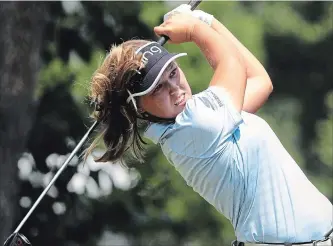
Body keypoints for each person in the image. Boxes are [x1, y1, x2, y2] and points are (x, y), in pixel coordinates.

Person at [85, 5, 333, 246]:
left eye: (172, 72)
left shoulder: (208, 115)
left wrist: (207, 21)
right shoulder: (192, 128)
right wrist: (195, 29)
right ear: (139, 107)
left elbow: (259, 81)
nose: (175, 89)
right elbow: (232, 64)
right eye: (158, 88)